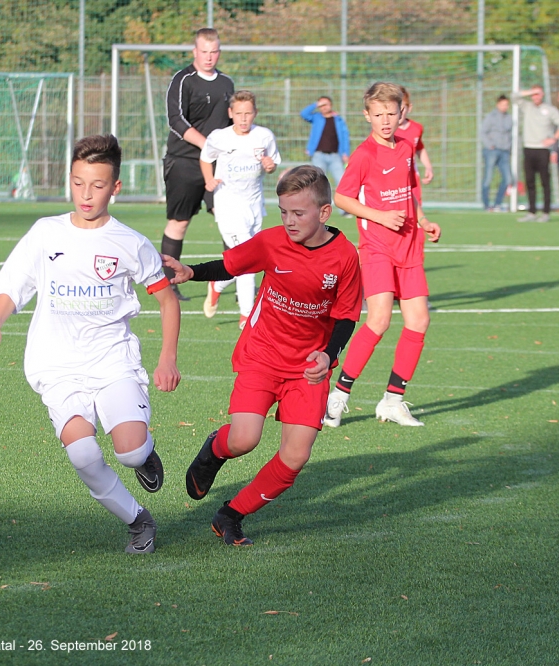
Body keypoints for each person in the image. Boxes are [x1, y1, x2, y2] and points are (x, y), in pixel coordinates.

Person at [0, 135, 181, 554]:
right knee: (83, 455)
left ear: (115, 187)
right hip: (56, 366)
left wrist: (168, 358)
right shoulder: (45, 233)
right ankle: (138, 521)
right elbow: (14, 284)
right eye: (78, 183)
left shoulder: (130, 243)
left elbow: (166, 300)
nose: (86, 194)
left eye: (98, 185)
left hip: (112, 362)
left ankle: (143, 455)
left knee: (129, 452)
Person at [163, 165, 362, 546]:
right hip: (263, 355)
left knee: (296, 456)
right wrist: (191, 271)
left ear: (324, 212)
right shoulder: (272, 242)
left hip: (308, 368)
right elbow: (231, 264)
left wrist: (328, 354)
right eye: (284, 211)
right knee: (244, 439)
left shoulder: (344, 257)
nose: (289, 221)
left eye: (298, 213)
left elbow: (347, 315)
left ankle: (231, 514)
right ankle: (214, 451)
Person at [327, 82, 442, 429]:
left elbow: (410, 191)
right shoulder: (364, 154)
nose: (386, 120)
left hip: (410, 246)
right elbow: (342, 198)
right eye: (378, 115)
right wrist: (379, 216)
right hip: (377, 248)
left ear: (401, 112)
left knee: (419, 320)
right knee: (378, 320)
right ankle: (338, 397)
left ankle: (392, 401)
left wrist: (423, 220)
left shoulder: (406, 147)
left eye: (391, 113)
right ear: (367, 116)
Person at [162, 27, 235, 301]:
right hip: (184, 162)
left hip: (218, 165)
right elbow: (176, 120)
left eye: (214, 51)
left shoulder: (226, 83)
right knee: (179, 223)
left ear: (219, 52)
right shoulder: (183, 80)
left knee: (229, 221)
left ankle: (235, 282)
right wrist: (208, 145)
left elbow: (233, 121)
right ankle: (169, 284)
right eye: (204, 51)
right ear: (195, 51)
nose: (209, 57)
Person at [200, 90, 281, 329]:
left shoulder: (264, 136)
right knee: (247, 259)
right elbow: (206, 157)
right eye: (238, 114)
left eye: (248, 113)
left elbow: (272, 164)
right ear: (230, 113)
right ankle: (246, 315)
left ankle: (217, 284)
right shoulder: (220, 137)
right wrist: (209, 180)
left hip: (254, 206)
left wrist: (270, 166)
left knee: (248, 260)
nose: (243, 119)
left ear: (255, 113)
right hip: (228, 206)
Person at [515, 85, 559, 223]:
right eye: (534, 94)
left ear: (542, 95)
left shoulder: (550, 110)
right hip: (528, 148)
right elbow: (514, 96)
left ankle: (546, 212)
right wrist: (530, 91)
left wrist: (553, 139)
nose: (535, 97)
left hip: (542, 150)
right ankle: (531, 212)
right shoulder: (527, 107)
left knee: (545, 181)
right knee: (530, 181)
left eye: (538, 94)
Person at [300, 96, 350, 190]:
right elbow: (303, 114)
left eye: (326, 104)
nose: (324, 107)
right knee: (318, 183)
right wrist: (315, 104)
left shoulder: (338, 120)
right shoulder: (316, 117)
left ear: (331, 105)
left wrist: (345, 153)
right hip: (319, 155)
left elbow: (344, 137)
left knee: (342, 182)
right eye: (321, 105)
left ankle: (343, 199)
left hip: (335, 156)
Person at [395, 87, 434, 205]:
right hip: (393, 176)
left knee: (415, 206)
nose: (399, 113)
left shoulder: (416, 128)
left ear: (409, 108)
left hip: (411, 174)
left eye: (402, 109)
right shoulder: (386, 130)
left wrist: (428, 167)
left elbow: (419, 148)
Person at [480, 95, 513, 211]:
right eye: (503, 104)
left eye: (506, 105)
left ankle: (497, 204)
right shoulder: (491, 117)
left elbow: (510, 135)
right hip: (492, 151)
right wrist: (490, 145)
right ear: (498, 104)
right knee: (488, 178)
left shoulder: (509, 118)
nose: (505, 107)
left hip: (505, 151)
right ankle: (486, 205)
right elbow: (483, 132)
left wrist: (510, 147)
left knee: (508, 178)